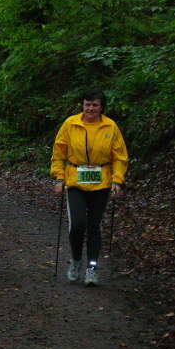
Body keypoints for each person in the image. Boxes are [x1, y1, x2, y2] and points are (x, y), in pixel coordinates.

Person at [50, 89, 128, 286]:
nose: (91, 108)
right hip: (75, 181)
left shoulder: (111, 126)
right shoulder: (70, 124)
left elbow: (120, 156)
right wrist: (59, 177)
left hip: (101, 183)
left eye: (95, 105)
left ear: (101, 107)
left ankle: (92, 268)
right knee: (77, 225)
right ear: (82, 106)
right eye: (87, 104)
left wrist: (117, 181)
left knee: (94, 227)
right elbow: (59, 152)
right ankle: (76, 260)